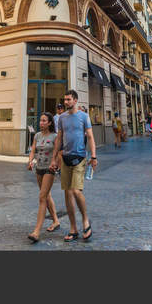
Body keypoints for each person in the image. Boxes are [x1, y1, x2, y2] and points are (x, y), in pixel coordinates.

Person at [50, 90, 97, 242]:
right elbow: (59, 138)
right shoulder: (62, 118)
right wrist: (54, 158)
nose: (66, 102)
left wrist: (94, 156)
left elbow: (90, 136)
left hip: (80, 158)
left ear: (75, 100)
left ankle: (85, 220)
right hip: (65, 159)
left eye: (69, 100)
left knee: (76, 191)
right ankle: (73, 228)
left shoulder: (84, 116)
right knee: (67, 194)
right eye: (65, 100)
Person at [26, 112, 61, 243]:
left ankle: (36, 232)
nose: (41, 123)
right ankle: (56, 221)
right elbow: (33, 150)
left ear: (50, 123)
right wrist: (30, 161)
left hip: (49, 169)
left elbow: (57, 153)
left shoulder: (55, 136)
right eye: (40, 120)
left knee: (42, 197)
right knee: (47, 196)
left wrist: (56, 164)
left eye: (44, 121)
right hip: (39, 168)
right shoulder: (37, 136)